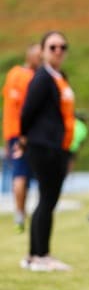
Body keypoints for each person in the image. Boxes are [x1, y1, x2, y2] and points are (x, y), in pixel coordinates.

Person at [19, 31, 75, 271]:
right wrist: (27, 138)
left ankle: (37, 254)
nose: (58, 51)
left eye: (62, 46)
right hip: (44, 146)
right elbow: (27, 111)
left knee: (47, 201)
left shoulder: (59, 77)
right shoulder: (42, 78)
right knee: (47, 199)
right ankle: (40, 255)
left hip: (57, 146)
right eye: (52, 47)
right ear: (42, 51)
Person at [2, 43, 41, 233]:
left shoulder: (12, 74)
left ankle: (20, 213)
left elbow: (9, 106)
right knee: (23, 175)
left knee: (20, 174)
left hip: (12, 133)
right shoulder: (32, 78)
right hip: (26, 134)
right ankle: (23, 212)